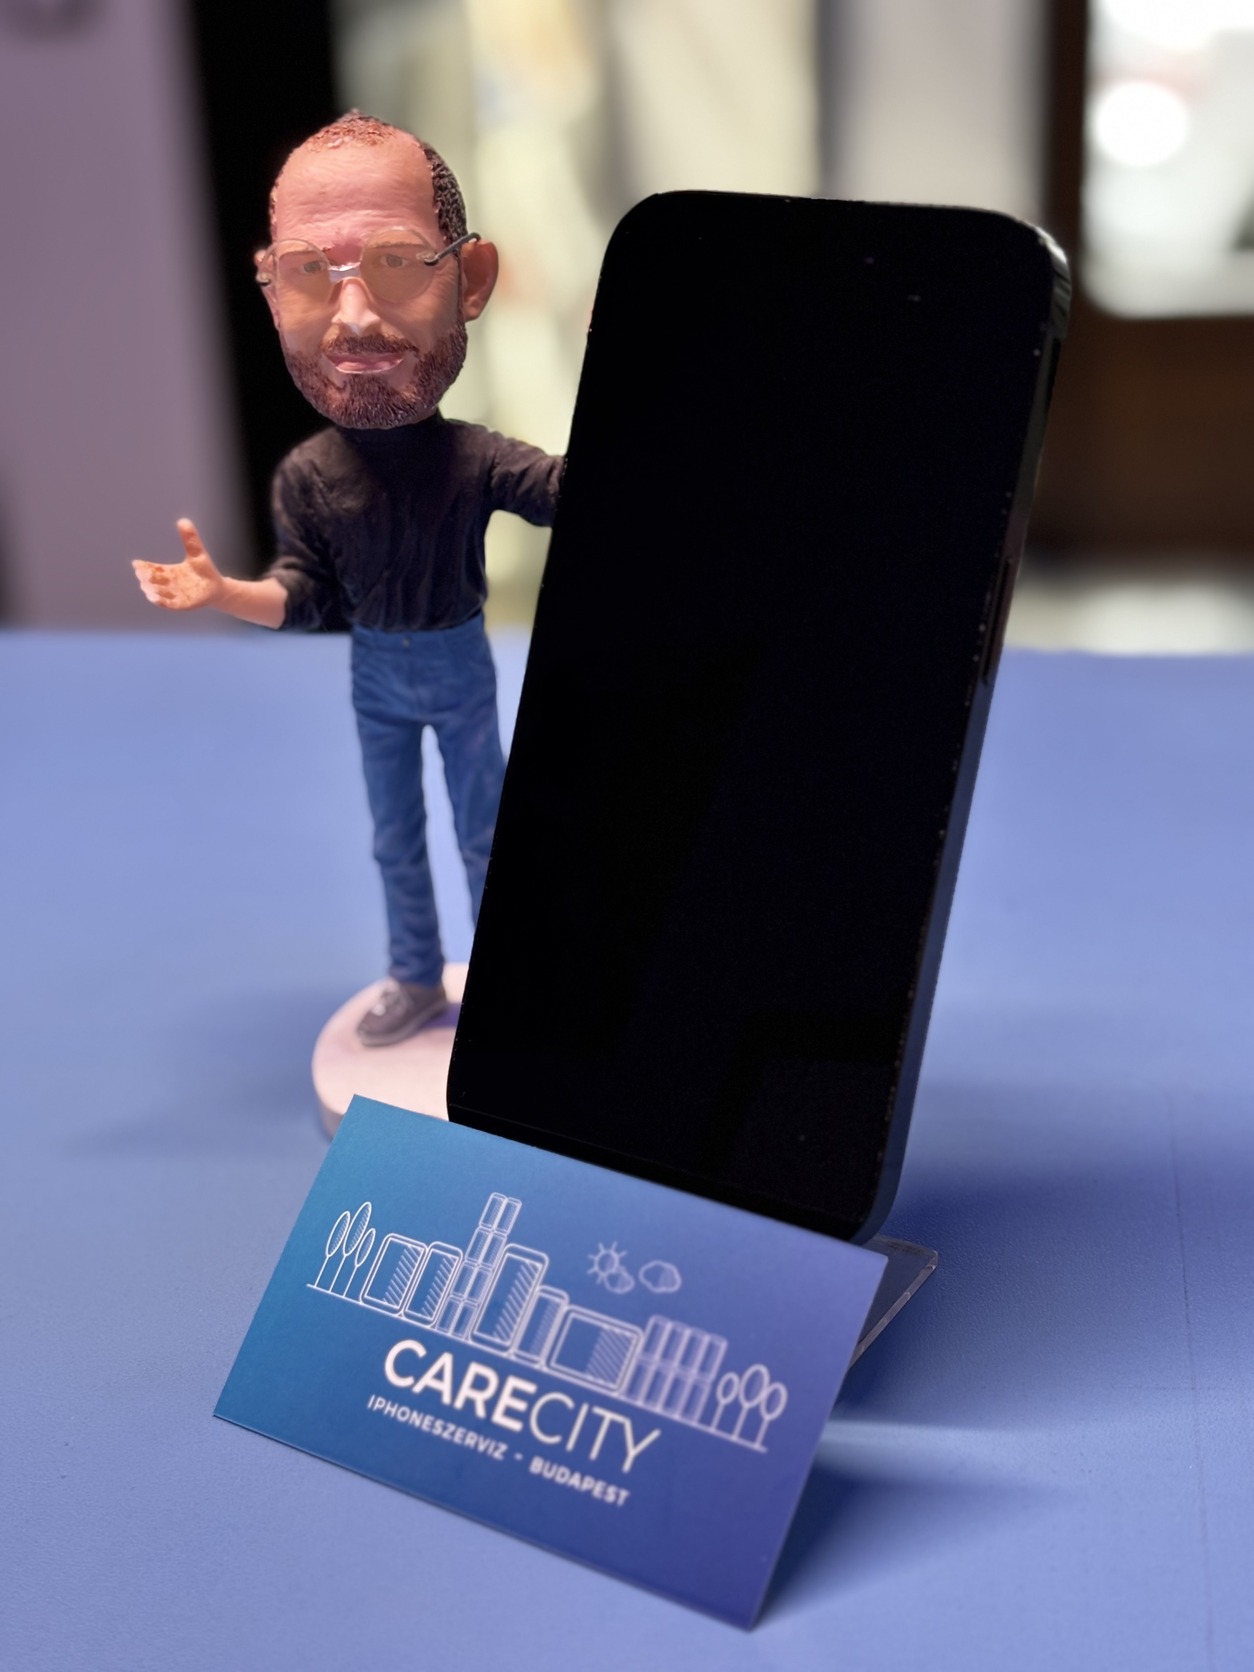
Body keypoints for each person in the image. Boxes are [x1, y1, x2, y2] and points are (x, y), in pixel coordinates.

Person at [133, 113, 563, 1045]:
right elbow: (303, 594)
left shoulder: (478, 461)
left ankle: (509, 985)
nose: (356, 317)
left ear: (471, 280)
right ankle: (414, 975)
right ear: (271, 291)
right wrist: (223, 594)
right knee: (394, 838)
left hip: (457, 666)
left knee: (486, 835)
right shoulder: (308, 477)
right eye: (306, 272)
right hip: (377, 676)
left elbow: (568, 496)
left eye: (398, 263)